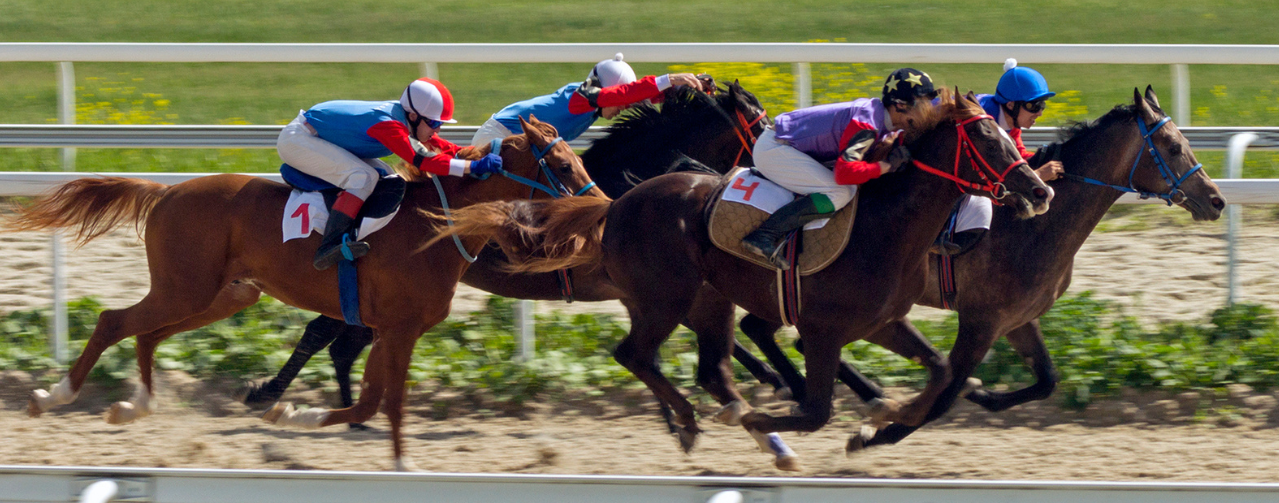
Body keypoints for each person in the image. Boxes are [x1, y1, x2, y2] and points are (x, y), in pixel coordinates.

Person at [276, 77, 505, 270]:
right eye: (434, 123)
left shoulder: (407, 119)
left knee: (385, 175)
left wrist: (476, 154)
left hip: (319, 137)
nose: (437, 129)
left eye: (440, 124)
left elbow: (440, 145)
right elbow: (423, 160)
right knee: (363, 178)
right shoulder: (389, 124)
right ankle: (330, 244)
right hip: (299, 140)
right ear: (413, 116)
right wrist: (472, 167)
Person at [738, 67, 937, 269]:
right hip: (774, 150)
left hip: (787, 146)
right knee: (841, 192)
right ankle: (764, 235)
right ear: (900, 105)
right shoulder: (868, 124)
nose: (927, 111)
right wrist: (884, 167)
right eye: (923, 104)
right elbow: (844, 173)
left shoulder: (880, 119)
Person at [942, 58, 1065, 254]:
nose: (1040, 113)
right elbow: (982, 173)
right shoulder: (986, 122)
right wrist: (1038, 175)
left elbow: (1018, 156)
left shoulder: (1010, 122)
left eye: (1042, 105)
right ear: (1011, 105)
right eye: (1034, 105)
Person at [469, 53, 709, 148]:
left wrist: (688, 85)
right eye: (623, 101)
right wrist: (666, 78)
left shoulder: (595, 102)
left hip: (521, 142)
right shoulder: (579, 98)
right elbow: (619, 96)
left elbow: (637, 97)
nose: (624, 108)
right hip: (498, 135)